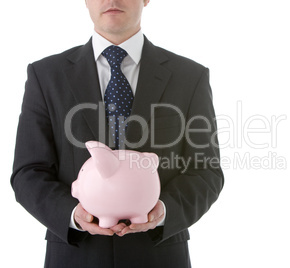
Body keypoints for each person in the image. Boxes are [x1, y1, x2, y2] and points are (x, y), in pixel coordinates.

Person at [10, 0, 224, 267]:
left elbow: (206, 170)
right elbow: (28, 171)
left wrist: (164, 211)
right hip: (76, 256)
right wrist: (74, 215)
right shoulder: (45, 76)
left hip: (159, 256)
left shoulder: (190, 77)